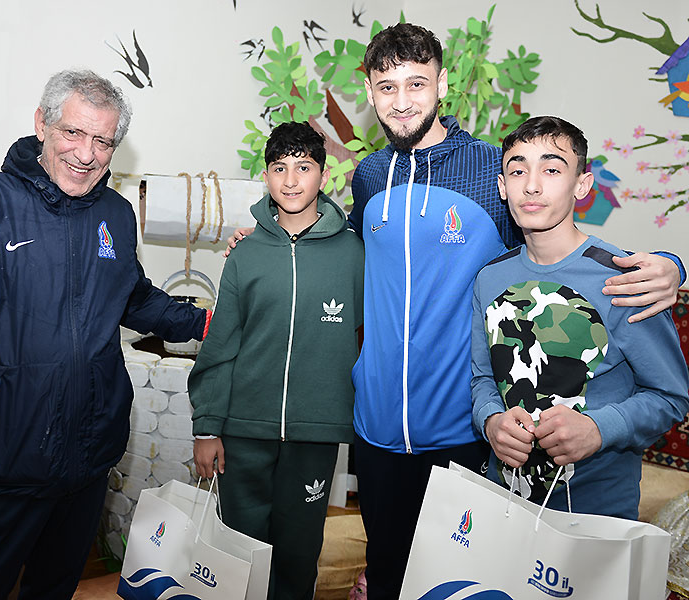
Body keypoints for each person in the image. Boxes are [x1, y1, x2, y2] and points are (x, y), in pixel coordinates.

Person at [226, 23, 684, 600]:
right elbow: (335, 246)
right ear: (370, 93)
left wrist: (671, 265)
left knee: (457, 584)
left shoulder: (495, 170)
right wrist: (266, 239)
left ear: (442, 85)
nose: (401, 101)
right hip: (376, 428)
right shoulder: (369, 175)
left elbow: (553, 253)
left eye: (416, 84)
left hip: (466, 429)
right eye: (387, 87)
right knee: (388, 574)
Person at [0, 69, 211, 600]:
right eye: (73, 133)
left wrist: (205, 323)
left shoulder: (115, 214)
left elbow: (132, 296)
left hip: (87, 463)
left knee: (55, 590)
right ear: (42, 124)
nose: (86, 154)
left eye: (103, 141)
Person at [471, 116, 689, 519]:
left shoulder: (625, 280)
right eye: (517, 171)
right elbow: (484, 378)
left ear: (582, 185)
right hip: (506, 503)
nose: (531, 185)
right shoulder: (489, 278)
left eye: (552, 170)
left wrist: (599, 429)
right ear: (502, 186)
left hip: (595, 512)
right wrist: (490, 421)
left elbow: (670, 397)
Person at [189, 121, 364, 600]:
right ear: (265, 175)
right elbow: (222, 343)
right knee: (239, 556)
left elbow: (373, 338)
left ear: (323, 174)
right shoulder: (245, 254)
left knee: (297, 556)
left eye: (303, 167)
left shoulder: (353, 253)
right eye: (279, 168)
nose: (290, 180)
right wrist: (207, 427)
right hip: (243, 433)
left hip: (316, 434)